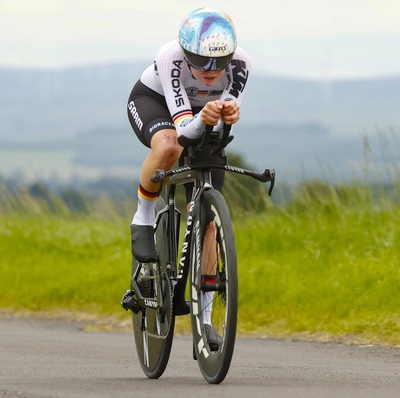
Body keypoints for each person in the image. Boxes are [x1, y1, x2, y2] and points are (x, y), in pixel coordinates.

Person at [127, 7, 251, 345]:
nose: (210, 72)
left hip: (204, 116)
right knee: (169, 148)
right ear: (185, 53)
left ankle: (206, 318)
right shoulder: (171, 57)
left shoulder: (241, 63)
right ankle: (143, 217)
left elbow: (220, 129)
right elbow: (183, 132)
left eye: (219, 62)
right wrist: (208, 117)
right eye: (200, 61)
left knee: (211, 222)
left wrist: (226, 116)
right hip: (159, 104)